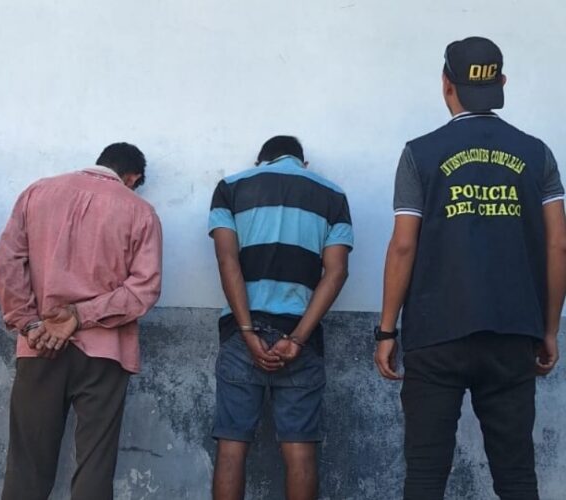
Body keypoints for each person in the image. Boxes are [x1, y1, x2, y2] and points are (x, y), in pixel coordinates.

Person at [375, 36, 566, 500]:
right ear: (502, 83)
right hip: (512, 332)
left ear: (446, 84)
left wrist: (386, 331)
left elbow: (403, 245)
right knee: (516, 476)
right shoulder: (537, 153)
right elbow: (559, 244)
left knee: (425, 475)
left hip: (435, 333)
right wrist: (549, 329)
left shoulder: (419, 154)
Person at [0, 142, 163, 500]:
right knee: (95, 464)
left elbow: (6, 263)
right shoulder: (140, 211)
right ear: (133, 178)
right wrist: (80, 316)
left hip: (39, 346)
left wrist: (31, 324)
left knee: (26, 465)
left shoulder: (37, 193)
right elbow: (143, 290)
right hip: (104, 353)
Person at [208, 136, 353, 500]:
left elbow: (227, 260)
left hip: (242, 335)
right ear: (304, 164)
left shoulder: (230, 188)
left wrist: (246, 330)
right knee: (300, 448)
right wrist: (299, 338)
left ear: (261, 161)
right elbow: (337, 272)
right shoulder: (333, 196)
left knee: (231, 446)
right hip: (300, 337)